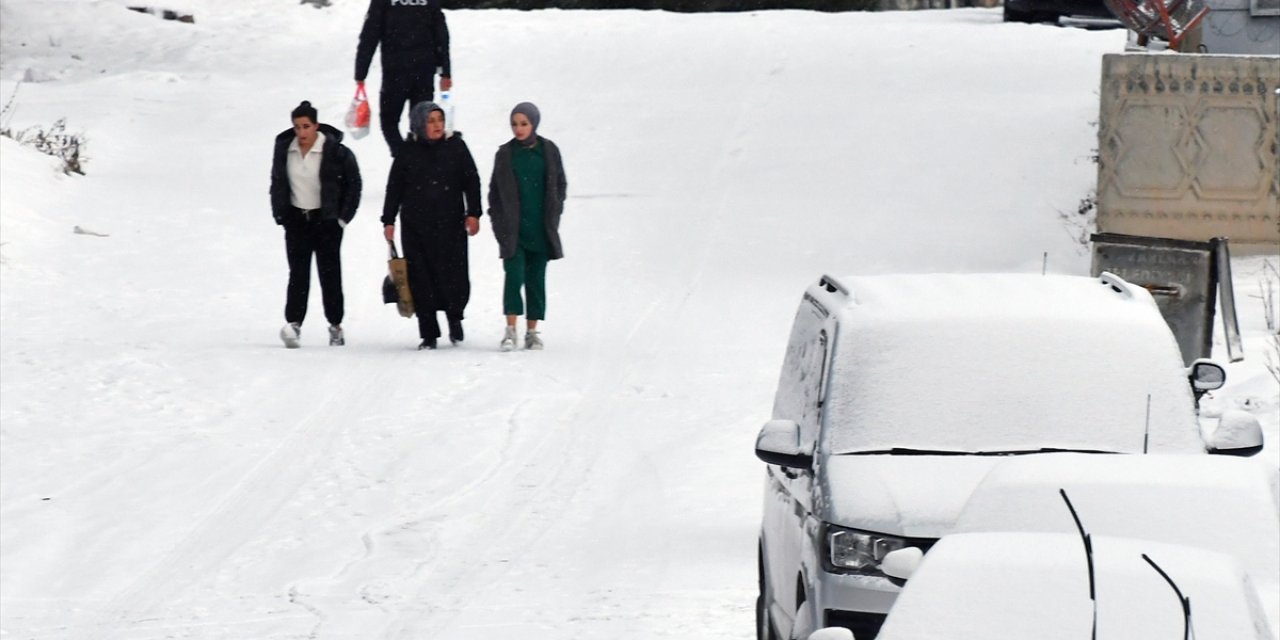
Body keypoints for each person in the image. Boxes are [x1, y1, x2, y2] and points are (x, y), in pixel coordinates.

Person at [382, 101, 482, 350]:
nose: (437, 125)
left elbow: (471, 180)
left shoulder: (456, 147)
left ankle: (454, 318)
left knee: (453, 275)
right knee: (421, 278)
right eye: (431, 121)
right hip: (416, 227)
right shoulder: (407, 152)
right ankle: (428, 332)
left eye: (440, 119)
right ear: (419, 124)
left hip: (450, 225)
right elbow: (394, 187)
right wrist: (388, 219)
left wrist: (474, 213)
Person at [270, 101, 362, 349]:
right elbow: (278, 182)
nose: (302, 133)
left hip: (326, 221)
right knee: (298, 274)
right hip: (297, 220)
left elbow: (354, 186)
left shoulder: (335, 151)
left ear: (316, 126)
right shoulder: (284, 150)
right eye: (297, 127)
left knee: (329, 274)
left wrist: (342, 218)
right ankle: (294, 324)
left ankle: (335, 324)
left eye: (306, 126)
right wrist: (281, 214)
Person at [487, 102, 567, 352]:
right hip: (513, 231)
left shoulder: (549, 150)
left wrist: (554, 212)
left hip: (541, 229)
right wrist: (498, 222)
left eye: (524, 124)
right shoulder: (505, 154)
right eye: (514, 124)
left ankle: (532, 331)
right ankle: (511, 329)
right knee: (514, 277)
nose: (518, 129)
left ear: (534, 123)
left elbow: (559, 185)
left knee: (536, 279)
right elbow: (494, 193)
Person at [354, 0, 452, 156]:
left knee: (389, 122)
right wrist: (445, 71)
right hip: (423, 72)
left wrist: (361, 72)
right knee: (422, 124)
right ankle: (422, 162)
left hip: (395, 73)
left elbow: (370, 34)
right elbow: (441, 33)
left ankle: (404, 159)